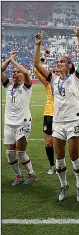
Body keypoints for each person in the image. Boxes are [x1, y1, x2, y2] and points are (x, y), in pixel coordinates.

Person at [34, 27, 79, 202]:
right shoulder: (53, 79)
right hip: (58, 122)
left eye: (62, 61)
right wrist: (38, 46)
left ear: (69, 65)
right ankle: (64, 185)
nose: (58, 64)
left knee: (74, 156)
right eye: (57, 62)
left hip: (74, 121)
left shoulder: (76, 78)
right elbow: (37, 64)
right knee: (59, 157)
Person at [2, 50, 36, 186]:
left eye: (17, 72)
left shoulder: (26, 86)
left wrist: (15, 61)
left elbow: (27, 73)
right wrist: (10, 60)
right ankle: (18, 176)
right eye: (13, 72)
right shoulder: (8, 85)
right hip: (9, 124)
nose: (14, 73)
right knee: (9, 154)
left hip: (23, 123)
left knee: (21, 152)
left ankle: (31, 173)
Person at [34, 50, 56, 174]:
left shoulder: (67, 83)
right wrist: (43, 57)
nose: (56, 73)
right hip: (48, 113)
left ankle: (59, 164)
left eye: (58, 71)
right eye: (55, 71)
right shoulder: (48, 83)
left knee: (56, 142)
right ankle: (52, 165)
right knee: (48, 143)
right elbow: (36, 70)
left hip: (60, 115)